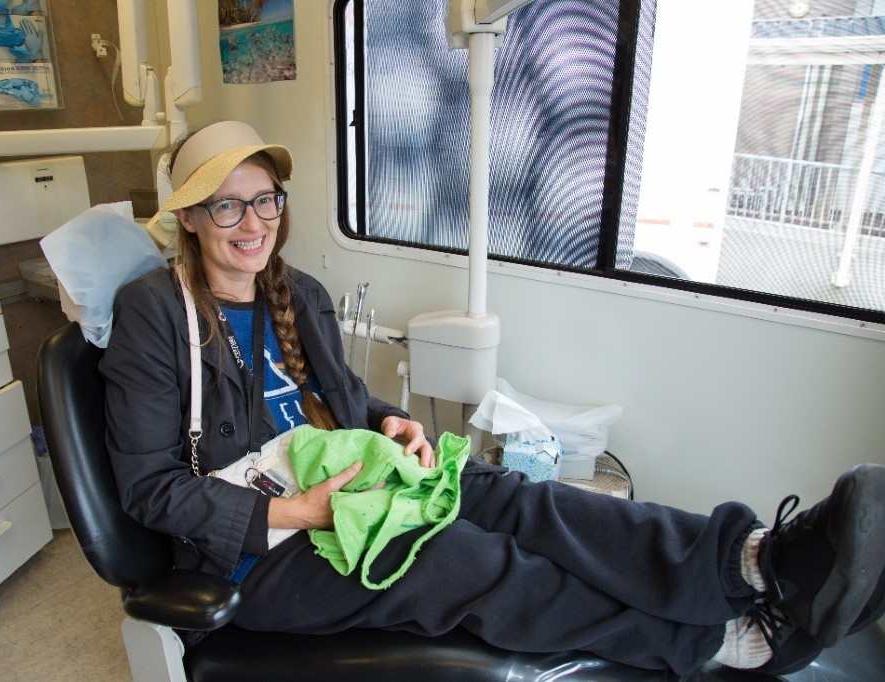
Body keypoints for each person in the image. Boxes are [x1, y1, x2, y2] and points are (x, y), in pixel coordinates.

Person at [100, 120, 885, 676]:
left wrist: (390, 421)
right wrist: (298, 513)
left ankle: (754, 560)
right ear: (192, 219)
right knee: (466, 559)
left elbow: (331, 403)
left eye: (264, 198)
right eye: (226, 205)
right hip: (258, 550)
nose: (251, 221)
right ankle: (725, 642)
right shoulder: (154, 313)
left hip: (353, 482)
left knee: (520, 497)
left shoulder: (299, 292)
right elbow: (150, 489)